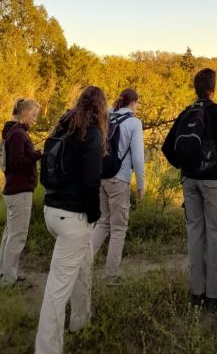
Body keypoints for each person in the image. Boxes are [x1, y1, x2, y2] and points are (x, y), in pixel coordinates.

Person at [35, 86, 107, 354]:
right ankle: (47, 348)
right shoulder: (92, 133)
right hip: (74, 217)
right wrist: (94, 215)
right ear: (101, 106)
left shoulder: (62, 126)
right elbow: (91, 182)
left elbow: (46, 170)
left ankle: (80, 320)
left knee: (84, 266)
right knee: (57, 289)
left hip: (52, 211)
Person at [162, 68, 217, 312]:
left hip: (190, 181)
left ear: (196, 88)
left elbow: (167, 147)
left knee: (195, 234)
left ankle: (197, 294)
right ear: (213, 89)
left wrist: (186, 167)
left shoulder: (187, 112)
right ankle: (215, 296)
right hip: (213, 181)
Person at [92, 88, 145, 282]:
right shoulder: (133, 123)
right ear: (133, 103)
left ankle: (83, 265)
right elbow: (138, 157)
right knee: (119, 229)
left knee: (103, 222)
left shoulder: (107, 118)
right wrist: (141, 184)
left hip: (101, 177)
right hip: (119, 179)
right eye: (137, 103)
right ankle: (112, 276)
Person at [0, 97, 41, 286]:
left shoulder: (15, 132)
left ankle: (5, 272)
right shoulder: (18, 134)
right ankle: (8, 280)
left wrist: (31, 156)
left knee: (11, 232)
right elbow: (15, 163)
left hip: (14, 189)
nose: (34, 119)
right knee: (18, 234)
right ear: (24, 114)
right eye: (33, 115)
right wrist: (36, 156)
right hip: (19, 190)